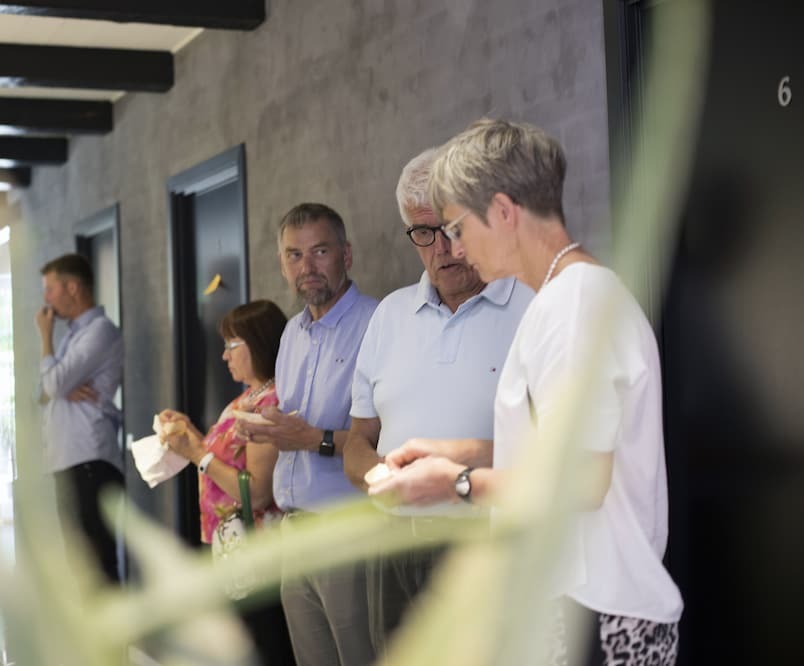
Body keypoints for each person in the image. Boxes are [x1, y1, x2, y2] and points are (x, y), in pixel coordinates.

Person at [369, 119, 684, 664]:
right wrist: (459, 452)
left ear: (502, 211)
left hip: (592, 612)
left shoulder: (574, 305)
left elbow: (581, 480)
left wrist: (455, 484)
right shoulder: (566, 298)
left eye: (458, 227)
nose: (454, 248)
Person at [342, 148, 533, 654]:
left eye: (451, 229)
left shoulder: (532, 304)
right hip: (394, 543)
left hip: (488, 544)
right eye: (424, 233)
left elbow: (560, 451)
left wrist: (456, 473)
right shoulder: (389, 316)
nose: (442, 249)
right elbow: (359, 438)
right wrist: (380, 477)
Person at [238, 203, 378, 666]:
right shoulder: (291, 335)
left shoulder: (379, 324)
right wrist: (267, 427)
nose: (307, 267)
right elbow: (295, 426)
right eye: (294, 255)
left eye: (320, 251)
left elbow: (390, 439)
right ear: (282, 263)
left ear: (346, 255)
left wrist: (312, 438)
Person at [158, 299, 295, 666]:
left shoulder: (270, 403)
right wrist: (191, 434)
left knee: (266, 648)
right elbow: (221, 456)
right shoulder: (245, 399)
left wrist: (197, 455)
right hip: (230, 548)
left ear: (259, 343)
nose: (224, 356)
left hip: (258, 553)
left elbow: (257, 492)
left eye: (232, 345)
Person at [36, 253, 124, 584]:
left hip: (90, 461)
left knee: (97, 564)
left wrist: (45, 338)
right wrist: (60, 385)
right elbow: (43, 391)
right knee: (79, 565)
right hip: (70, 460)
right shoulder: (73, 335)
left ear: (72, 287)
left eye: (50, 289)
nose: (46, 298)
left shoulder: (100, 331)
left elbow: (53, 384)